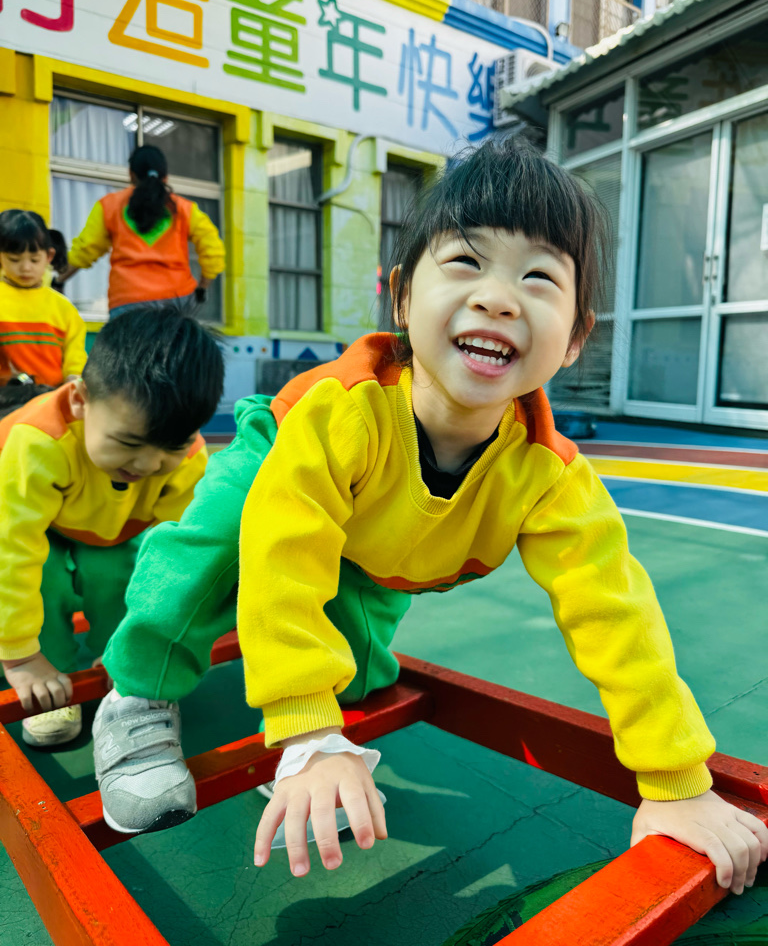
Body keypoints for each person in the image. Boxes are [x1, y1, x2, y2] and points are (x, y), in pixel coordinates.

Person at [236, 138, 765, 892]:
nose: (498, 297)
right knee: (218, 542)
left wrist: (676, 781)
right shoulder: (341, 415)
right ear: (402, 298)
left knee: (356, 670)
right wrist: (308, 735)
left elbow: (615, 614)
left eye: (539, 277)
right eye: (465, 261)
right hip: (275, 456)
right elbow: (283, 555)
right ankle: (140, 686)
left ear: (576, 338)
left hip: (382, 551)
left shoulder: (548, 473)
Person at [89, 395, 410, 836]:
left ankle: (302, 736)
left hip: (381, 485)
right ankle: (136, 692)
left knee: (360, 647)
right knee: (207, 552)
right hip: (283, 437)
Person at [0, 308, 223, 748]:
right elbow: (11, 549)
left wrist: (139, 650)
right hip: (37, 522)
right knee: (44, 579)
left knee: (116, 575)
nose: (148, 463)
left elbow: (178, 556)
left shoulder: (188, 458)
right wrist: (20, 656)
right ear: (80, 400)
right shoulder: (38, 441)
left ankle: (118, 657)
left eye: (172, 447)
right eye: (128, 442)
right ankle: (52, 670)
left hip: (111, 529)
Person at [63, 145, 224, 317]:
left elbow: (86, 249)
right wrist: (202, 288)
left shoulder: (109, 206)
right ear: (165, 177)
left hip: (127, 301)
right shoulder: (185, 209)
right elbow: (213, 249)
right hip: (177, 301)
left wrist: (59, 279)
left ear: (131, 175)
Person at [0, 210, 86, 387]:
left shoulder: (64, 309)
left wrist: (74, 381)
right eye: (14, 260)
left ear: (49, 256)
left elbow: (75, 362)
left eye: (34, 260)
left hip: (50, 399)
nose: (25, 268)